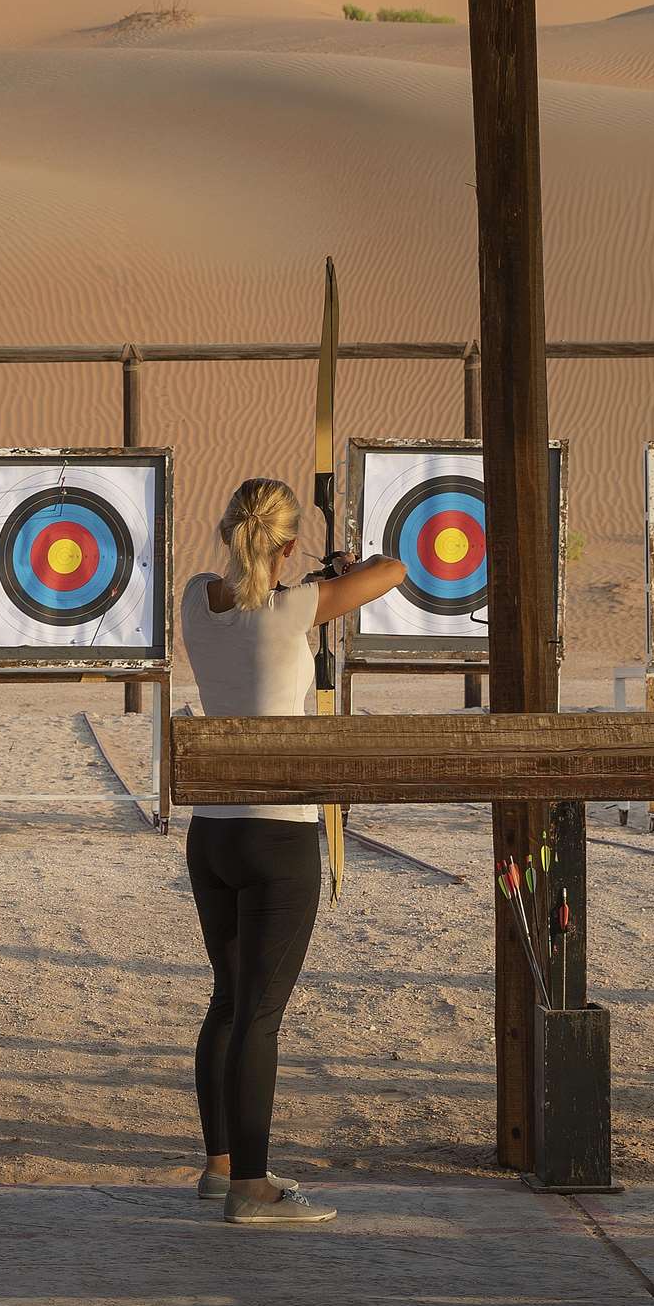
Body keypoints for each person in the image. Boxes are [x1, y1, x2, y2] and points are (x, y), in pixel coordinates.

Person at [176, 476, 401, 1227]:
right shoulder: (298, 609)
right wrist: (340, 569)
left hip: (213, 834)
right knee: (260, 1018)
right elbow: (395, 569)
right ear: (289, 541)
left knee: (229, 1000)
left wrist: (309, 578)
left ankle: (217, 1168)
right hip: (280, 837)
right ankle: (253, 1186)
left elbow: (247, 604)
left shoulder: (193, 601)